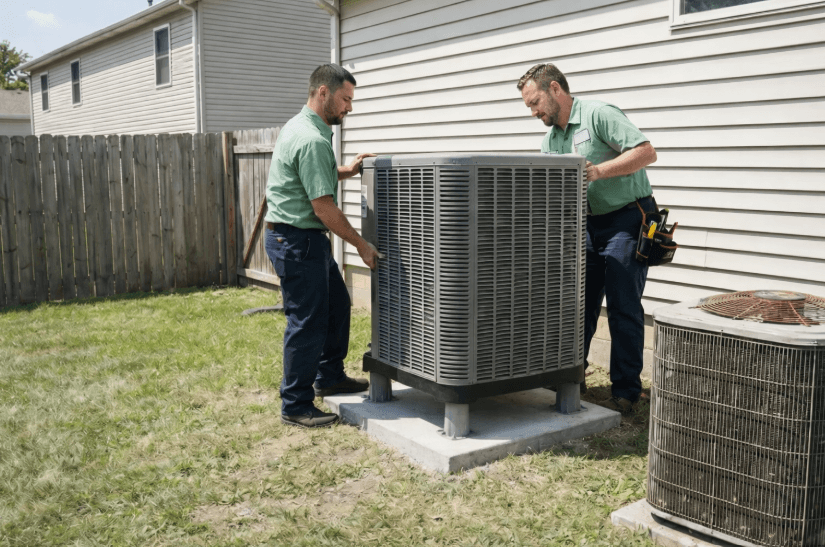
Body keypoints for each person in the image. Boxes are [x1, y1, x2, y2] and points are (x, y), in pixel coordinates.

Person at [517, 63, 658, 415]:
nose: (533, 112)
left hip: (628, 216)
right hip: (587, 225)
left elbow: (646, 152)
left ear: (555, 90)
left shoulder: (598, 115)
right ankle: (571, 375)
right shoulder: (551, 139)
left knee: (623, 305)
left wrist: (598, 171)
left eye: (535, 103)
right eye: (529, 107)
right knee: (579, 303)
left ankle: (626, 390)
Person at [265, 63, 381, 428]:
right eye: (346, 99)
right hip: (298, 240)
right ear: (324, 93)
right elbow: (323, 206)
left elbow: (311, 175)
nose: (350, 107)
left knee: (337, 306)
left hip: (300, 238)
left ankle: (329, 376)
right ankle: (295, 405)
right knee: (308, 321)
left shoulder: (303, 126)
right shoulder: (312, 139)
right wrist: (361, 244)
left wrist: (348, 169)